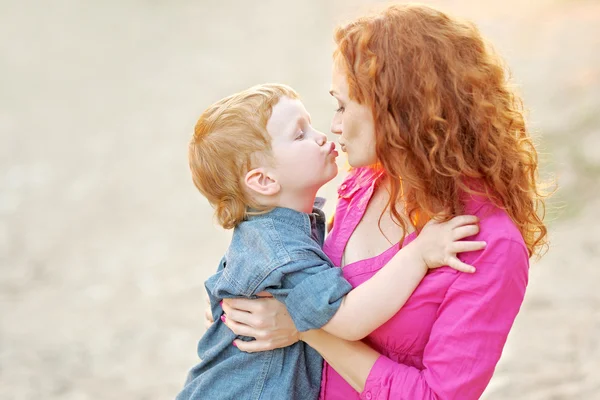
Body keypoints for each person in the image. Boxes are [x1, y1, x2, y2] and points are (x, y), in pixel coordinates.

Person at [215, 4, 549, 399]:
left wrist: (305, 327)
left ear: (397, 111)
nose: (334, 126)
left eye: (343, 105)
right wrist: (237, 309)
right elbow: (289, 265)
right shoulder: (364, 182)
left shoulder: (489, 243)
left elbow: (437, 396)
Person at [178, 83, 485, 400]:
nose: (323, 135)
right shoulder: (283, 250)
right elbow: (350, 320)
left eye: (310, 125)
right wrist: (419, 255)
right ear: (265, 180)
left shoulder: (273, 232)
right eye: (300, 135)